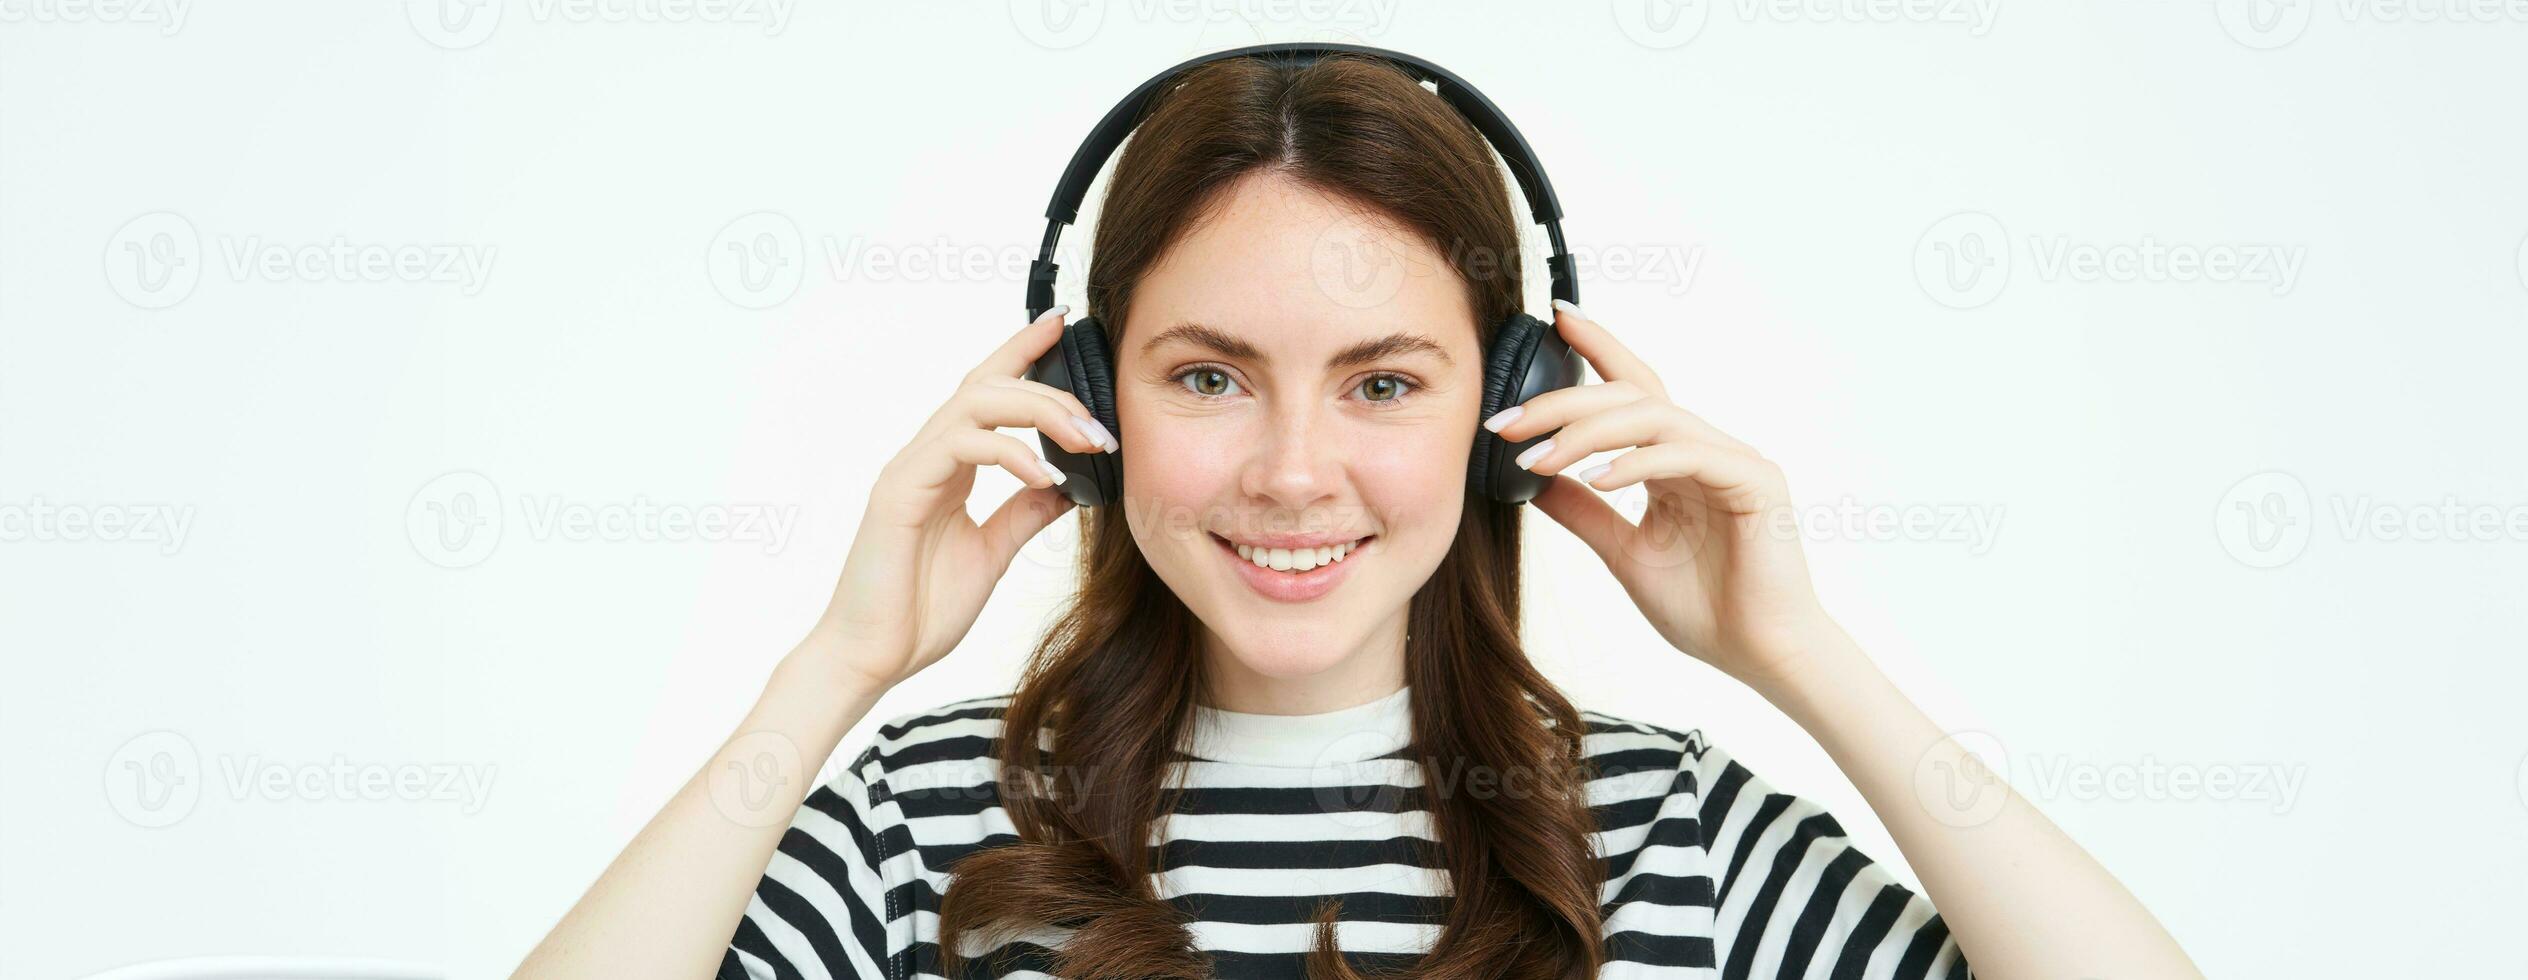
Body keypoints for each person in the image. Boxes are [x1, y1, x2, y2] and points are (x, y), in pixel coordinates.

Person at [510, 53, 2198, 980]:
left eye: (1385, 384)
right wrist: (839, 664)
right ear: (1091, 406)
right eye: (1209, 376)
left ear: (1505, 414)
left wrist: (1805, 657)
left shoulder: (1671, 834)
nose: (1294, 472)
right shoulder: (917, 823)